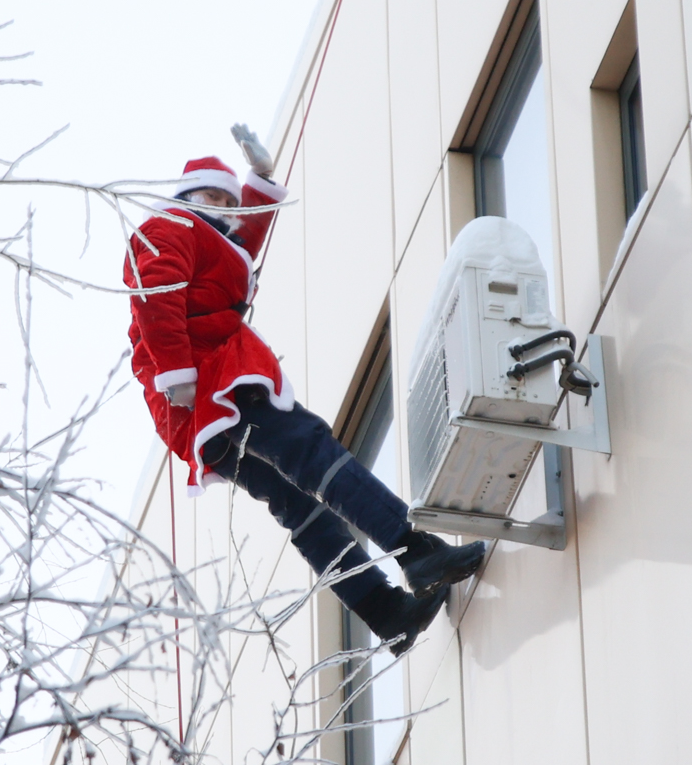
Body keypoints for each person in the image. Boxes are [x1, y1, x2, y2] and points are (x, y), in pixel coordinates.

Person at [124, 125, 486, 654]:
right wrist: (176, 372)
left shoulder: (208, 240)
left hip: (203, 411)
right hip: (214, 389)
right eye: (213, 197)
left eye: (229, 200)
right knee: (315, 454)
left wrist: (260, 184)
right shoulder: (171, 227)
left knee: (300, 507)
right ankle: (412, 548)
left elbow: (239, 242)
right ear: (185, 199)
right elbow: (153, 293)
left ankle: (385, 611)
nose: (225, 207)